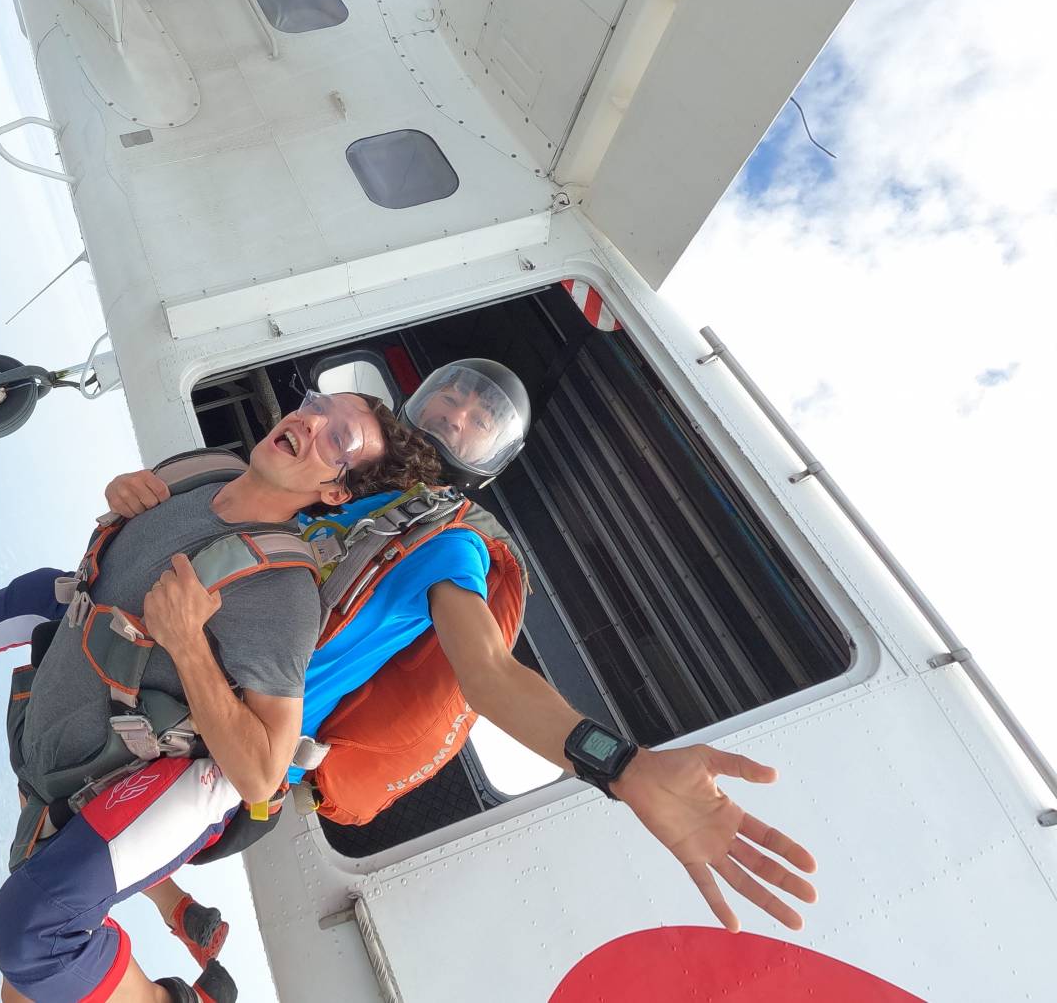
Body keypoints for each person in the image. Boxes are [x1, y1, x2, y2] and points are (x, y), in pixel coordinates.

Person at [111, 360, 818, 964]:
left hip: (226, 744)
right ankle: (174, 906)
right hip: (176, 675)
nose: (461, 410)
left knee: (43, 915)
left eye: (485, 415)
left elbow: (489, 673)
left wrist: (622, 766)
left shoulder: (451, 542)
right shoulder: (333, 479)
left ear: (491, 457)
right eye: (457, 393)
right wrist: (138, 501)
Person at [0, 390, 445, 1003]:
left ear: (334, 490)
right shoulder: (200, 475)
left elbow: (261, 774)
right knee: (47, 594)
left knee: (33, 935)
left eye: (338, 436)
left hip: (187, 782)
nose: (307, 420)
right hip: (74, 731)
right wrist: (117, 498)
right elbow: (111, 573)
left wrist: (189, 644)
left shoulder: (282, 597)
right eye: (314, 405)